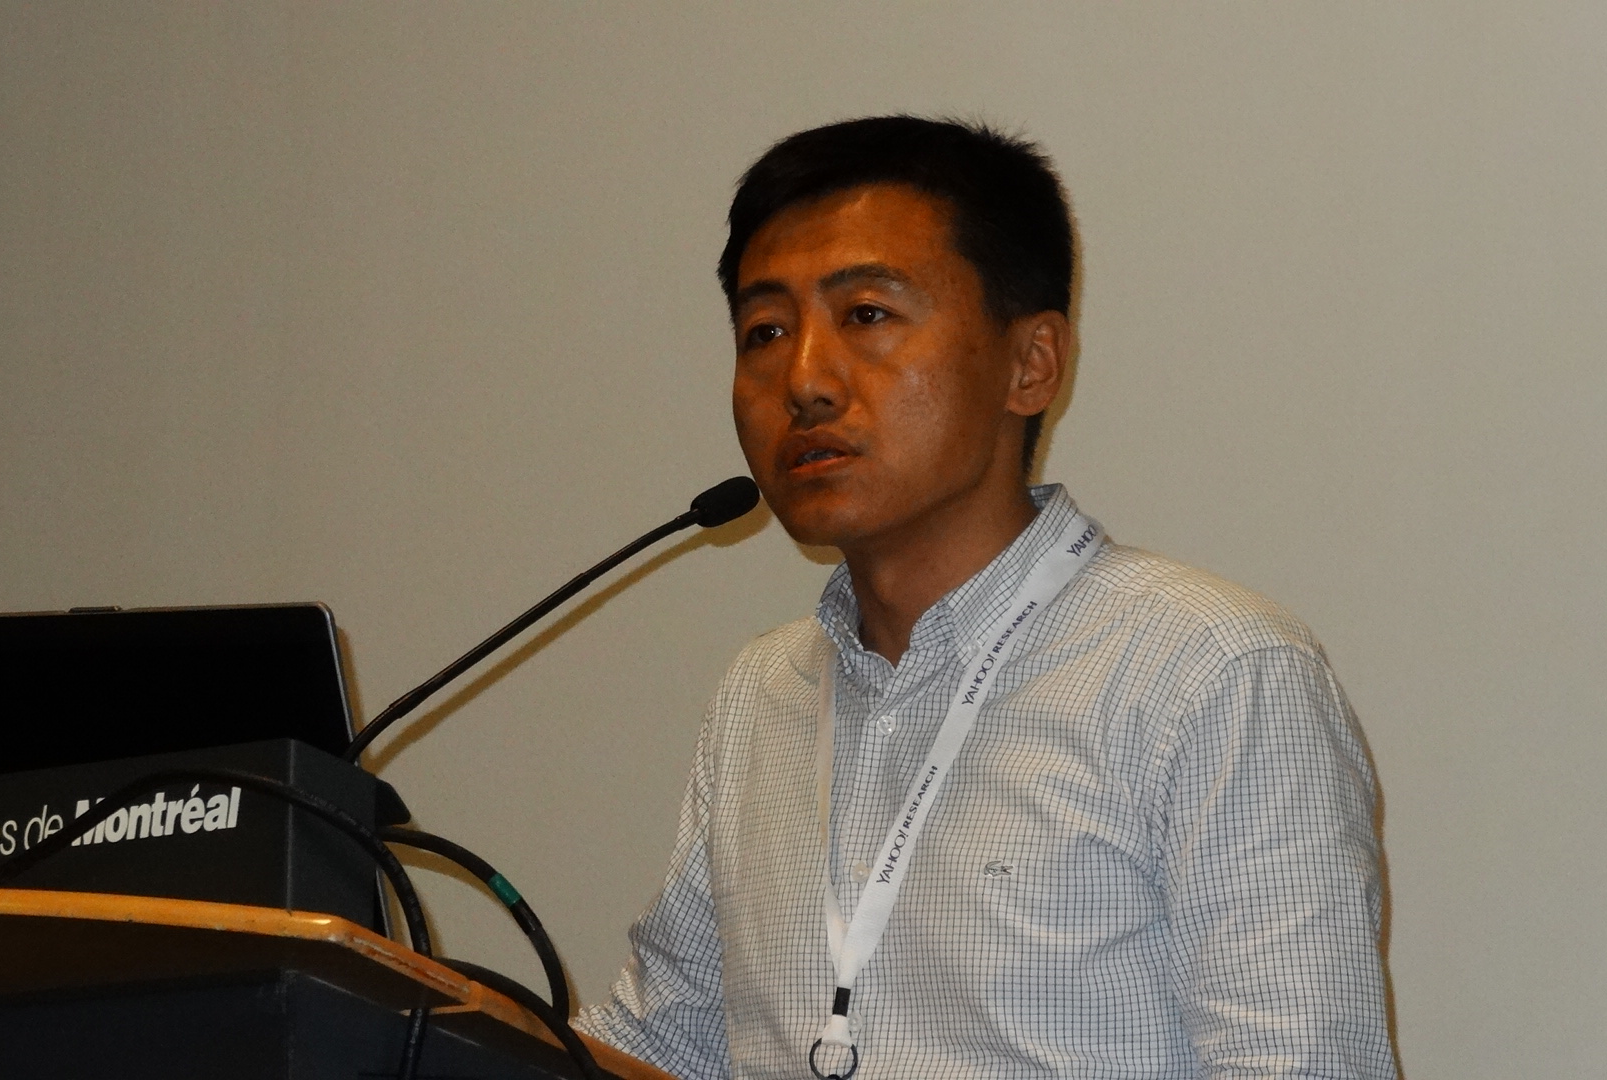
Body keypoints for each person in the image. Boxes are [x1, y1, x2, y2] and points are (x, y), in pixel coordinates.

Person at [576, 116, 1395, 1080]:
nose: (803, 380)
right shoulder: (763, 695)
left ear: (1030, 363)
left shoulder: (1211, 672)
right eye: (766, 331)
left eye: (866, 315)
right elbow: (662, 1044)